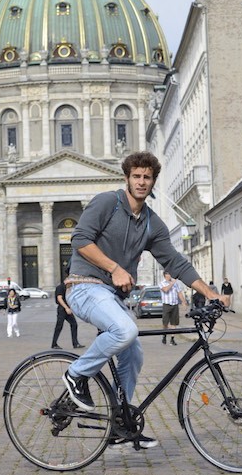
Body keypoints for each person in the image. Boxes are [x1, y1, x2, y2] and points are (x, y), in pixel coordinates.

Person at [62, 151, 220, 448]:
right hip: (84, 286)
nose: (141, 181)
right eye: (136, 176)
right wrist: (115, 267)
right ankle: (76, 374)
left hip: (111, 295)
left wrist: (210, 293)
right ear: (127, 178)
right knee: (126, 330)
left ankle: (121, 421)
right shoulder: (107, 203)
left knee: (133, 352)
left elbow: (175, 262)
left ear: (153, 181)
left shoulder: (151, 223)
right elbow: (80, 239)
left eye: (147, 177)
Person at [51, 277, 84, 350]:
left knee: (74, 324)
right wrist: (66, 308)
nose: (71, 284)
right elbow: (59, 298)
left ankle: (75, 343)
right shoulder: (60, 287)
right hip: (62, 309)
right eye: (70, 282)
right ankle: (54, 344)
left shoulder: (69, 288)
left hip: (67, 309)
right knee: (59, 326)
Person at [160, 272, 185, 345]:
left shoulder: (176, 284)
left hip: (175, 304)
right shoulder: (162, 283)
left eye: (170, 274)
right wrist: (171, 283)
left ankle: (172, 339)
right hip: (166, 304)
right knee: (165, 322)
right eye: (168, 274)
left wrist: (183, 301)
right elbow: (165, 290)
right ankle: (164, 336)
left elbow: (179, 293)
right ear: (165, 276)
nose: (169, 276)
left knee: (174, 323)